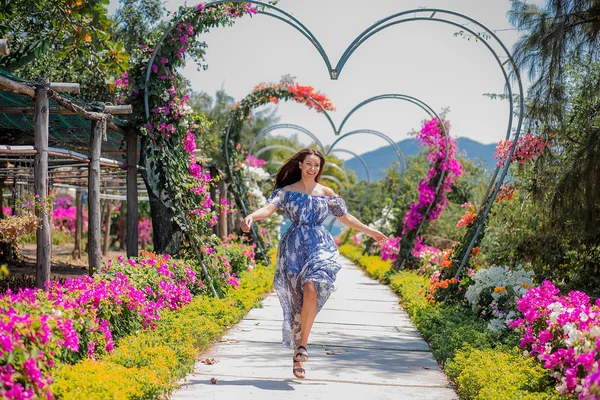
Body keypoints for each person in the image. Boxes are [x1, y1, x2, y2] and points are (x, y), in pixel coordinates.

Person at [241, 148, 388, 379]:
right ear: (300, 165)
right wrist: (252, 216)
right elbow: (268, 209)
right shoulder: (286, 191)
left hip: (320, 245)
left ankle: (303, 347)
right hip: (294, 249)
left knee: (312, 286)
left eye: (316, 166)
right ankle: (297, 355)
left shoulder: (327, 192)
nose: (312, 169)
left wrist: (371, 231)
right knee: (297, 301)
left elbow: (345, 217)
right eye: (308, 164)